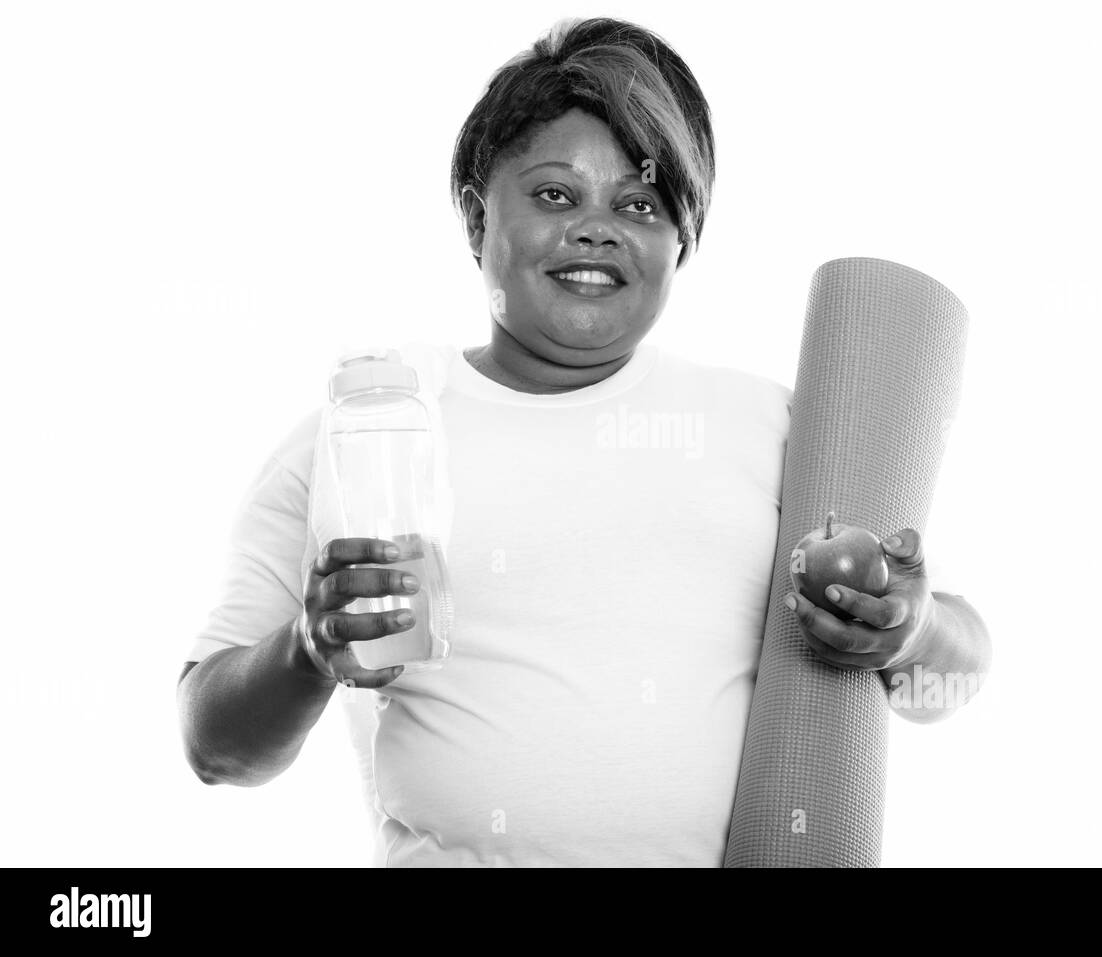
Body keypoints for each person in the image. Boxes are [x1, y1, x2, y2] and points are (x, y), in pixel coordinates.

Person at [177, 16, 991, 867]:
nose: (596, 229)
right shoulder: (368, 432)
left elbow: (960, 676)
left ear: (684, 240)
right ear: (474, 215)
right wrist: (309, 648)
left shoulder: (778, 428)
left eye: (639, 204)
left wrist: (914, 629)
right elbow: (214, 748)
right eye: (555, 194)